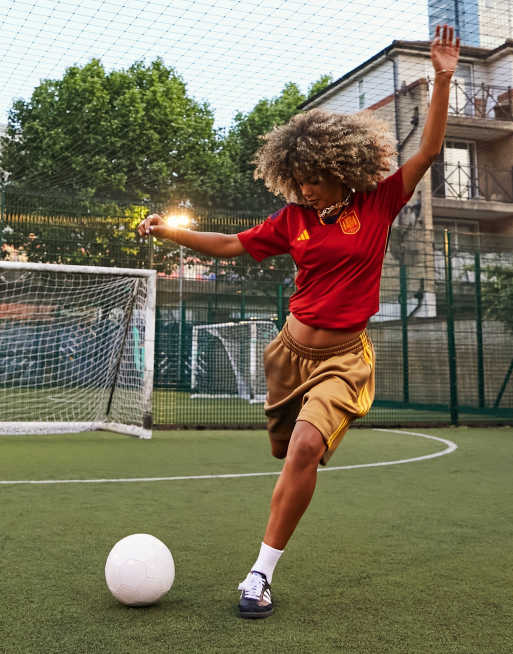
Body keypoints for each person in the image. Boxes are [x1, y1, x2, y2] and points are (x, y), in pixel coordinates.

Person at [138, 24, 460, 619]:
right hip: (288, 357)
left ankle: (259, 575)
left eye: (315, 176)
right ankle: (276, 521)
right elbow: (231, 245)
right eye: (300, 178)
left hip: (343, 361)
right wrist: (170, 231)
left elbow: (429, 151)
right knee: (289, 453)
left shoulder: (378, 203)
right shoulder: (293, 218)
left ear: (343, 168)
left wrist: (442, 77)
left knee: (305, 449)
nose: (306, 186)